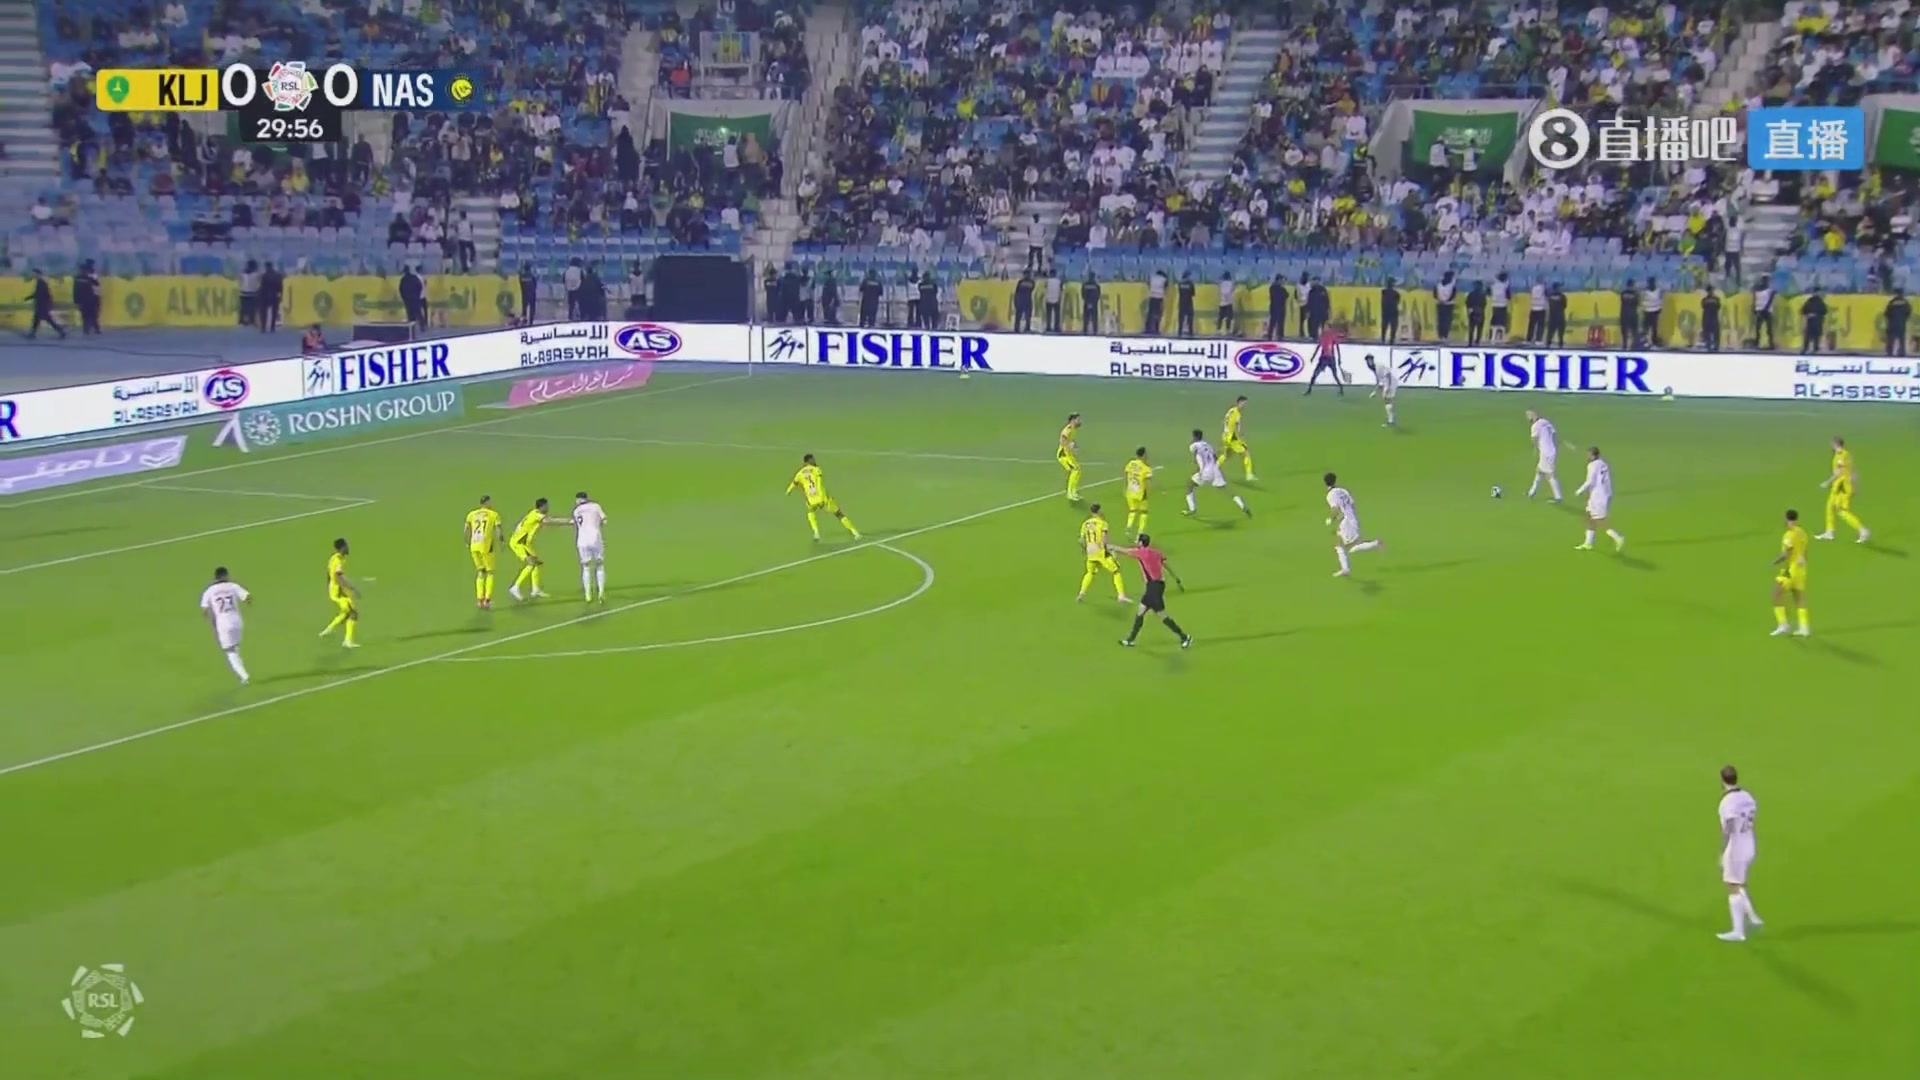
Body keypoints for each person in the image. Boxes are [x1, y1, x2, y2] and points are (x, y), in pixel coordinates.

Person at [1111, 535, 1190, 649]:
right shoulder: (1156, 553)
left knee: (1162, 616)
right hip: (1156, 585)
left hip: (1154, 587)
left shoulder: (1141, 553)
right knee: (1140, 611)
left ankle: (1185, 637)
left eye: (1138, 540)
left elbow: (1125, 551)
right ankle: (1130, 640)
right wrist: (1176, 578)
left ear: (1141, 543)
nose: (1136, 542)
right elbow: (1166, 565)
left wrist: (1111, 546)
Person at [1715, 765, 1763, 942]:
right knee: (1739, 882)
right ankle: (1753, 917)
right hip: (1749, 843)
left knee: (1732, 885)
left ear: (1722, 780)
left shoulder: (1726, 802)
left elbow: (1728, 828)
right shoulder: (1748, 796)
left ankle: (1738, 931)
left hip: (1735, 848)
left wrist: (1722, 851)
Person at [787, 453, 861, 542]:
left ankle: (816, 532)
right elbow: (819, 483)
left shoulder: (800, 473)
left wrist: (788, 491)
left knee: (810, 512)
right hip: (822, 497)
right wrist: (822, 497)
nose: (814, 460)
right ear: (808, 461)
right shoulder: (816, 470)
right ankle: (855, 532)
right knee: (838, 514)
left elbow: (794, 483)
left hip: (811, 498)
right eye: (813, 459)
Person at [199, 566, 252, 684]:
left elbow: (204, 609)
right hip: (237, 621)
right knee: (235, 647)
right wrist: (248, 601)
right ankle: (242, 672)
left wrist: (209, 619)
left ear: (215, 577)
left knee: (229, 651)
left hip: (223, 623)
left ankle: (244, 676)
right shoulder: (233, 586)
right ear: (226, 575)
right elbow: (247, 597)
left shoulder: (209, 590)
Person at [1324, 472, 1382, 576]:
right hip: (1350, 518)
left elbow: (1335, 508)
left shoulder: (1330, 495)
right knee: (1340, 545)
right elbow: (1352, 504)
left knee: (1349, 546)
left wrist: (1330, 519)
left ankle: (1375, 543)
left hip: (1346, 521)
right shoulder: (1343, 491)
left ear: (1325, 483)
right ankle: (1345, 569)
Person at [509, 498, 567, 601]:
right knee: (531, 564)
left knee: (536, 563)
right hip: (519, 543)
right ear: (542, 507)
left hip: (525, 543)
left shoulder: (533, 513)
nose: (548, 508)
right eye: (546, 506)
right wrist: (569, 521)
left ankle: (535, 589)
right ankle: (515, 587)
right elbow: (549, 521)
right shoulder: (536, 515)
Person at [1185, 429, 1251, 518]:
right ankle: (1242, 505)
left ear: (1195, 437)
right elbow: (1215, 457)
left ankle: (1192, 509)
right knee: (1226, 489)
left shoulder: (1193, 446)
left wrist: (1198, 469)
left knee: (1189, 486)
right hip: (1215, 470)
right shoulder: (1208, 445)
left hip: (1205, 471)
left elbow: (1196, 457)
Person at [1816, 436, 1870, 542]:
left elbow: (1839, 472)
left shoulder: (1840, 455)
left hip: (1842, 487)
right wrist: (1856, 486)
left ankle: (1862, 530)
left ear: (1835, 444)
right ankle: (1829, 532)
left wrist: (1827, 482)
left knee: (1842, 511)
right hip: (1839, 486)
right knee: (1830, 506)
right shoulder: (1847, 455)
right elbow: (1853, 471)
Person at [1075, 503, 1129, 604]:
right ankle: (1121, 595)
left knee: (1090, 572)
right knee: (1115, 571)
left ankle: (1081, 593)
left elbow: (1081, 540)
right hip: (1100, 551)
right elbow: (1104, 540)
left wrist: (1084, 549)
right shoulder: (1102, 523)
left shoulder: (1085, 524)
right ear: (1099, 511)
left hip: (1090, 552)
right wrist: (1110, 551)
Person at [1574, 447, 1624, 551]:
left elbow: (1590, 481)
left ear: (1593, 455)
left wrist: (1580, 490)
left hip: (1598, 496)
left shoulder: (1592, 465)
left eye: (1589, 454)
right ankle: (1588, 543)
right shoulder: (1603, 463)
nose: (1587, 456)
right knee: (1589, 517)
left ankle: (1618, 538)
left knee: (1600, 520)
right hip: (1604, 494)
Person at [1770, 510, 1811, 638]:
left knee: (1776, 594)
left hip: (1791, 570)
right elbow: (1804, 552)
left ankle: (1783, 624)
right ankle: (1804, 628)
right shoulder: (1802, 533)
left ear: (1787, 519)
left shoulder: (1789, 535)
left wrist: (1775, 561)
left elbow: (1787, 553)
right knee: (1798, 597)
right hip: (1801, 569)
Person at [319, 538, 360, 647]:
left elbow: (329, 574)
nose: (348, 548)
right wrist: (351, 588)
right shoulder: (338, 561)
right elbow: (338, 576)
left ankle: (328, 629)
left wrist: (330, 586)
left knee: (346, 612)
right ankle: (347, 641)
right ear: (342, 548)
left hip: (334, 589)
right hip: (339, 591)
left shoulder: (333, 558)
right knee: (353, 614)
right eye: (346, 546)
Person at [464, 495, 504, 609]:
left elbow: (466, 529)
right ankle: (487, 600)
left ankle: (479, 599)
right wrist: (501, 541)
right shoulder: (493, 514)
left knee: (480, 572)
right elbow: (498, 530)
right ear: (487, 502)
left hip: (474, 546)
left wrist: (467, 541)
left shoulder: (472, 514)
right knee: (490, 572)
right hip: (486, 546)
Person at [571, 491, 608, 603]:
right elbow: (604, 520)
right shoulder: (596, 506)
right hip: (595, 539)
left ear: (578, 500)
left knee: (586, 567)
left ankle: (588, 595)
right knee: (599, 565)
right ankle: (601, 592)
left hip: (582, 540)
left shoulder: (576, 511)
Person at [1526, 410, 1562, 501]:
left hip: (1545, 452)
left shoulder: (1534, 426)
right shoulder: (1545, 421)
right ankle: (1532, 492)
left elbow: (1534, 439)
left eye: (1528, 416)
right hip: (1551, 450)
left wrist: (1535, 449)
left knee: (1549, 475)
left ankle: (1558, 496)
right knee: (1539, 471)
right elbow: (1554, 433)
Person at [1219, 395, 1256, 480]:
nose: (1244, 405)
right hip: (1231, 437)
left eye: (1245, 404)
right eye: (1243, 403)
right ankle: (1249, 475)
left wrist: (1226, 429)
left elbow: (1224, 421)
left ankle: (1214, 469)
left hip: (1225, 436)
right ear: (1238, 402)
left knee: (1226, 455)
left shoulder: (1230, 410)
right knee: (1246, 453)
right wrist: (1241, 438)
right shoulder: (1236, 413)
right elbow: (1236, 427)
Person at [1304, 321, 1344, 396]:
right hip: (1325, 358)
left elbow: (1337, 347)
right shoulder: (1324, 335)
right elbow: (1319, 346)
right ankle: (1309, 390)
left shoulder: (1332, 335)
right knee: (1315, 374)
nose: (1325, 328)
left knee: (1334, 375)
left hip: (1329, 358)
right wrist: (1313, 356)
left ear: (1329, 327)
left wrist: (1339, 358)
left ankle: (1341, 388)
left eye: (1326, 326)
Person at [24, 269, 65, 338]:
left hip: (42, 305)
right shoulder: (40, 282)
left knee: (48, 320)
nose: (33, 275)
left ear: (38, 274)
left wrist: (30, 298)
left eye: (34, 274)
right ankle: (32, 334)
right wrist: (29, 297)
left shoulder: (41, 282)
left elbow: (43, 294)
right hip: (41, 305)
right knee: (37, 320)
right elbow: (38, 293)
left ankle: (61, 332)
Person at [1123, 446, 1153, 537]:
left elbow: (1126, 474)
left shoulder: (1131, 463)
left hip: (1130, 492)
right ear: (1143, 455)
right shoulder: (1146, 468)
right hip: (1140, 493)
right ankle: (1140, 532)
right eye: (1146, 454)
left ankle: (1129, 526)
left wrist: (1125, 487)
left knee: (1132, 510)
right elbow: (1149, 481)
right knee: (1144, 512)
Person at [1365, 352, 1398, 426]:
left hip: (1391, 381)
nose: (1369, 362)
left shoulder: (1378, 366)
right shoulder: (1373, 368)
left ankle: (1391, 420)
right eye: (1367, 360)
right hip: (1387, 382)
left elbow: (1388, 374)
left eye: (1370, 360)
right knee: (1386, 399)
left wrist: (1388, 387)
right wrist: (1375, 391)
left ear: (1372, 360)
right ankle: (1390, 417)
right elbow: (1378, 379)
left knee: (1387, 399)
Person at [1057, 413, 1083, 502]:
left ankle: (1073, 492)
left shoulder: (1073, 429)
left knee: (1077, 471)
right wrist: (1070, 448)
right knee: (1075, 470)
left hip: (1068, 454)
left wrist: (1074, 446)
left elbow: (1071, 440)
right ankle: (1070, 493)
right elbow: (1062, 441)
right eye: (1078, 419)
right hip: (1064, 454)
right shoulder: (1067, 430)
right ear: (1073, 420)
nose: (1080, 421)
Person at [73, 260, 101, 335]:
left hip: (85, 300)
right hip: (90, 300)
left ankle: (92, 328)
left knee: (88, 315)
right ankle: (90, 329)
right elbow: (97, 285)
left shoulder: (78, 278)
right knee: (90, 315)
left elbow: (75, 290)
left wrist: (76, 300)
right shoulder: (89, 278)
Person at [1800, 287, 1828, 354]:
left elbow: (1824, 311)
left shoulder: (1819, 301)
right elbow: (1803, 310)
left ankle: (1813, 348)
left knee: (1814, 335)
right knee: (1810, 335)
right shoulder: (1810, 301)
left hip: (1816, 319)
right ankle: (1807, 348)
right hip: (1812, 320)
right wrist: (1809, 314)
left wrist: (1813, 314)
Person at [260, 261, 284, 333]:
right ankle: (272, 327)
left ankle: (263, 327)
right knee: (274, 312)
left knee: (264, 312)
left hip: (265, 295)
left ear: (266, 267)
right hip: (275, 295)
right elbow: (280, 287)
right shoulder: (278, 275)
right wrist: (280, 295)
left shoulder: (264, 276)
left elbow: (262, 287)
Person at [1885, 289, 1910, 356]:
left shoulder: (1892, 302)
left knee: (1891, 338)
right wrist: (1904, 319)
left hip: (1892, 323)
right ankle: (1902, 352)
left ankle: (1890, 351)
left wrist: (1890, 319)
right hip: (1901, 323)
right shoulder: (1905, 303)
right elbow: (1908, 312)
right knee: (1901, 338)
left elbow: (1887, 313)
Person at [1752, 280, 1776, 349]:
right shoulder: (1756, 289)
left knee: (1768, 328)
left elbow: (1771, 299)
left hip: (1767, 310)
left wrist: (1766, 308)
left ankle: (1770, 343)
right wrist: (1754, 308)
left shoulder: (1770, 290)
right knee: (1758, 328)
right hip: (1759, 309)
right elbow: (1755, 299)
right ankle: (1757, 342)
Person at [1434, 271, 1457, 341]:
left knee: (1441, 321)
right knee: (1446, 321)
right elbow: (1453, 296)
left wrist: (1440, 300)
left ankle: (1441, 336)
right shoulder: (1452, 286)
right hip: (1448, 305)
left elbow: (1434, 294)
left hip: (1440, 304)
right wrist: (1446, 300)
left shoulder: (1438, 285)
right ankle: (1444, 336)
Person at [1488, 271, 1511, 342]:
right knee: (1502, 324)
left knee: (1494, 322)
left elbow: (1488, 293)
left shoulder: (1493, 285)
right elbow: (1509, 297)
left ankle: (1492, 337)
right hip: (1502, 306)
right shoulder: (1505, 286)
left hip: (1494, 306)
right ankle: (1500, 338)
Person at [1642, 277, 1665, 348]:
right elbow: (1642, 300)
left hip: (1655, 310)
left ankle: (1653, 341)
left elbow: (1661, 299)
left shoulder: (1658, 290)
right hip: (1647, 310)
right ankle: (1648, 341)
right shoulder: (1645, 291)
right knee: (1647, 327)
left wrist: (1660, 307)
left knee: (1654, 327)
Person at [1265, 271, 1287, 340]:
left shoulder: (1277, 288)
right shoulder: (1274, 288)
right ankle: (1271, 335)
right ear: (1279, 280)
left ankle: (1279, 335)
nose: (1283, 281)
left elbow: (1286, 295)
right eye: (1282, 280)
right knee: (1273, 322)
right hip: (1275, 307)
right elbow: (1284, 295)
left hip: (1280, 307)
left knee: (1280, 323)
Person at [1544, 282, 1568, 346]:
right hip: (1560, 316)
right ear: (1558, 288)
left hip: (1552, 316)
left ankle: (1548, 344)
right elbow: (1565, 306)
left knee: (1550, 332)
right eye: (1560, 287)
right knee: (1561, 332)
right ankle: (1560, 343)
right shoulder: (1562, 296)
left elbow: (1546, 293)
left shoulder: (1550, 296)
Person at [1464, 280, 1487, 345]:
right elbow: (1484, 304)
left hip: (1472, 312)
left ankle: (1470, 342)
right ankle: (1477, 341)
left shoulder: (1471, 294)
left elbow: (1467, 303)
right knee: (1479, 328)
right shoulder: (1483, 295)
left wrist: (1470, 309)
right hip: (1480, 312)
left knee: (1471, 328)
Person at [1144, 268, 1167, 334]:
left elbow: (1148, 284)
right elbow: (1166, 287)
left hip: (1152, 296)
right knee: (1158, 314)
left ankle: (1147, 329)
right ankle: (1156, 329)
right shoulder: (1164, 279)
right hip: (1159, 298)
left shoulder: (1152, 278)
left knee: (1150, 313)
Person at [1700, 285, 1722, 351]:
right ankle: (1713, 345)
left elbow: (1703, 306)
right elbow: (1718, 307)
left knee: (1709, 332)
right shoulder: (1716, 299)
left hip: (1709, 318)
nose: (1711, 292)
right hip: (1711, 318)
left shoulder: (1705, 300)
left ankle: (1710, 345)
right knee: (1713, 332)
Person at [1380, 277, 1401, 344]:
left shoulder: (1384, 292)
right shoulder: (1396, 294)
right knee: (1393, 326)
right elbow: (1397, 302)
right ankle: (1391, 339)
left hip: (1386, 312)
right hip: (1392, 312)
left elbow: (1383, 302)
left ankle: (1383, 339)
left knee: (1385, 326)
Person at [1043, 267, 1064, 333]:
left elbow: (1045, 288)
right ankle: (1056, 327)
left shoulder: (1047, 281)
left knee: (1048, 314)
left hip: (1048, 299)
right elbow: (1061, 290)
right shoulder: (1059, 281)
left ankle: (1048, 327)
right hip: (1056, 299)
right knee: (1057, 315)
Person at [1177, 271, 1197, 337]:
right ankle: (1190, 332)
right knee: (1190, 318)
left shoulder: (1180, 283)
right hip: (1189, 302)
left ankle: (1179, 332)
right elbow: (1193, 294)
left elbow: (1179, 292)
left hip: (1181, 302)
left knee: (1181, 318)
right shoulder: (1190, 283)